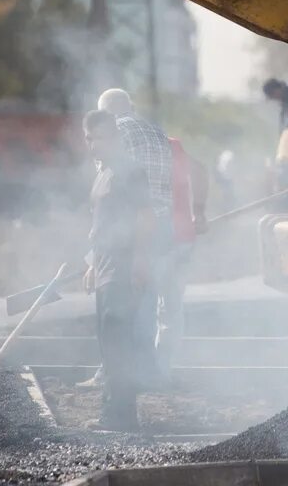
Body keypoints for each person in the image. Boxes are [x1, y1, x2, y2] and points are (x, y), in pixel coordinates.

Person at [87, 88, 173, 387]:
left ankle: (112, 375)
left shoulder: (115, 134)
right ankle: (146, 370)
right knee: (146, 301)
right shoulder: (157, 132)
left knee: (118, 309)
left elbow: (106, 195)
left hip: (130, 231)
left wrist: (93, 257)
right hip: (162, 226)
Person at [81, 109, 153, 431]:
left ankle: (121, 417)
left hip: (124, 268)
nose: (91, 144)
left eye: (96, 137)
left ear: (112, 136)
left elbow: (144, 217)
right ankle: (112, 413)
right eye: (87, 138)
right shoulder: (102, 173)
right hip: (105, 267)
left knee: (118, 342)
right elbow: (100, 225)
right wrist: (92, 264)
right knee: (108, 343)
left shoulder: (130, 171)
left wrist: (140, 260)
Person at [155, 137, 209, 381]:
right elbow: (199, 171)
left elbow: (198, 171)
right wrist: (198, 212)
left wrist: (198, 212)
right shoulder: (169, 143)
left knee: (148, 308)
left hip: (162, 241)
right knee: (170, 306)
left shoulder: (123, 145)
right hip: (182, 236)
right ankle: (160, 369)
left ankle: (150, 370)